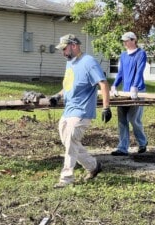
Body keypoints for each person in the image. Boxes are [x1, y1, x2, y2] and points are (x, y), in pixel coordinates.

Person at [50, 34, 112, 188]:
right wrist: (57, 96)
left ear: (74, 45)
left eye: (64, 49)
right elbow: (69, 85)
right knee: (70, 143)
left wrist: (106, 107)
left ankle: (66, 178)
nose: (63, 52)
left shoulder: (88, 62)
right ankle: (93, 166)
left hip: (82, 111)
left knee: (71, 141)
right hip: (68, 110)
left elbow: (103, 84)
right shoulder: (70, 63)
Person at [110, 31, 148, 156]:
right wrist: (114, 85)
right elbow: (120, 72)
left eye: (126, 40)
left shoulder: (141, 54)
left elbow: (139, 71)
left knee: (133, 118)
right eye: (123, 41)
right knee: (122, 120)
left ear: (133, 40)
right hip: (125, 92)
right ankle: (122, 148)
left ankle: (142, 142)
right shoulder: (123, 55)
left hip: (137, 90)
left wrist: (135, 86)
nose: (124, 43)